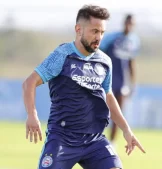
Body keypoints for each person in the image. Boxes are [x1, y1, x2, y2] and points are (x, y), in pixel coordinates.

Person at [22, 5, 145, 169]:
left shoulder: (104, 62)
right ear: (78, 29)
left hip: (94, 140)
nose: (99, 37)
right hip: (62, 138)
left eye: (102, 32)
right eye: (94, 31)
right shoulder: (63, 55)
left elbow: (108, 96)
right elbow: (29, 83)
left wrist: (126, 129)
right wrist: (32, 114)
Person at [100, 14, 140, 144]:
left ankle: (111, 143)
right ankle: (95, 139)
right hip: (108, 80)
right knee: (101, 111)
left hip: (122, 82)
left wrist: (133, 83)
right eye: (128, 23)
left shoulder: (134, 41)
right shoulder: (112, 38)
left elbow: (131, 62)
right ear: (124, 23)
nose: (129, 26)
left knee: (118, 113)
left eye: (132, 24)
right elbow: (99, 54)